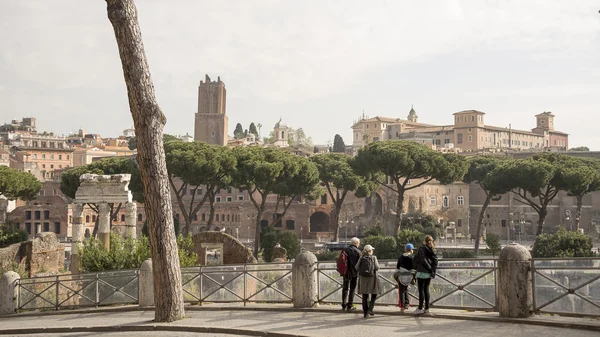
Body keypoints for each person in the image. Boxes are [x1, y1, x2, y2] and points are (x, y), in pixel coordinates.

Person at [355, 244, 381, 319]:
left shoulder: (361, 257)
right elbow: (377, 267)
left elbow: (356, 267)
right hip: (372, 278)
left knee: (365, 296)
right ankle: (370, 309)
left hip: (363, 279)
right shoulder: (373, 257)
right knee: (374, 294)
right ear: (370, 251)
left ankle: (365, 313)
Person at [414, 235, 438, 314]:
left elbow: (422, 259)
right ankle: (427, 308)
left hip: (421, 271)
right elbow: (435, 261)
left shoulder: (422, 248)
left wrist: (428, 267)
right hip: (428, 273)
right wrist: (432, 270)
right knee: (426, 289)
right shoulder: (433, 249)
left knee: (421, 290)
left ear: (424, 241)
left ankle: (420, 308)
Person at [341, 237, 361, 311]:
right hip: (354, 273)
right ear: (356, 243)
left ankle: (343, 305)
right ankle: (349, 305)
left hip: (345, 272)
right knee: (352, 289)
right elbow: (360, 263)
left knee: (345, 288)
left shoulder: (345, 250)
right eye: (358, 243)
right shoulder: (358, 252)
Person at [395, 243, 415, 313]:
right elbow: (414, 267)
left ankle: (402, 306)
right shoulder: (412, 257)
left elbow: (397, 267)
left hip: (401, 276)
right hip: (409, 277)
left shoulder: (401, 257)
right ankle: (407, 303)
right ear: (411, 250)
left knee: (401, 291)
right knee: (406, 289)